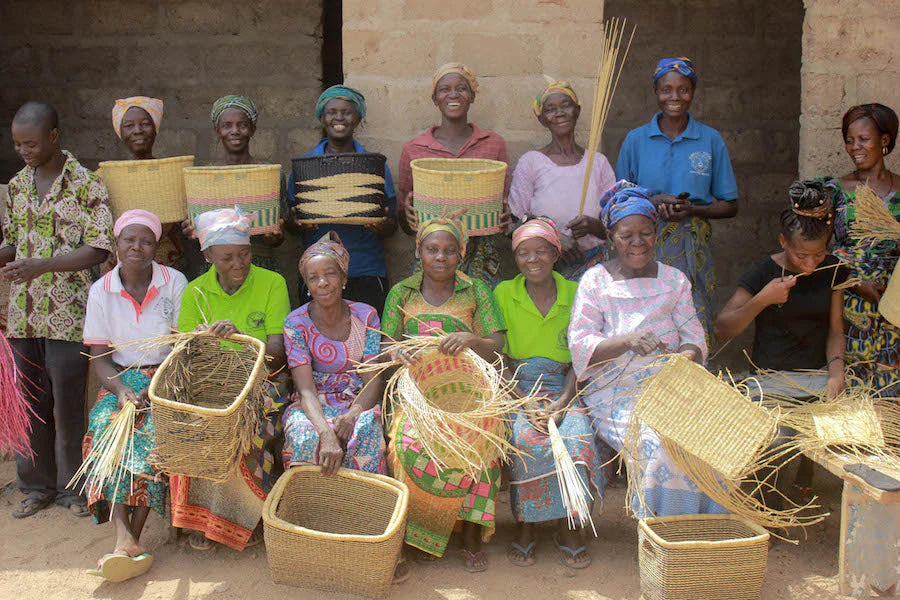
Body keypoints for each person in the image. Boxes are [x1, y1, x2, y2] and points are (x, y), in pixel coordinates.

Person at [568, 184, 726, 517]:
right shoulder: (595, 281)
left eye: (645, 233)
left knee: (712, 438)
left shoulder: (675, 280)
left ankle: (709, 533)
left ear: (656, 234)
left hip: (672, 388)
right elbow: (580, 345)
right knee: (659, 445)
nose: (637, 242)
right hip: (616, 393)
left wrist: (683, 358)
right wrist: (628, 341)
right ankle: (663, 532)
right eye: (626, 235)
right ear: (611, 237)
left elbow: (694, 334)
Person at [1, 101, 114, 519]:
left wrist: (41, 264)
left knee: (68, 405)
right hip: (24, 314)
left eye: (30, 143)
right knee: (29, 402)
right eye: (17, 145)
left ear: (54, 137)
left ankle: (73, 489)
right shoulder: (16, 186)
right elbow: (14, 241)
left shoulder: (87, 184)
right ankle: (36, 486)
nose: (24, 151)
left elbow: (98, 247)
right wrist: (6, 256)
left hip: (69, 313)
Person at [381, 218, 506, 572]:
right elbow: (385, 343)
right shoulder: (401, 292)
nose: (441, 257)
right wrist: (396, 353)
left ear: (461, 254)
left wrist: (472, 340)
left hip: (469, 393)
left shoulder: (476, 290)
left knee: (483, 439)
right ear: (419, 252)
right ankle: (422, 532)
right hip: (417, 393)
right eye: (432, 250)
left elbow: (497, 344)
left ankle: (469, 533)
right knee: (408, 442)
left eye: (450, 251)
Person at [172, 206, 292, 552]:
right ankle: (203, 519)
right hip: (212, 383)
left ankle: (246, 518)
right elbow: (185, 354)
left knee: (249, 422)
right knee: (194, 422)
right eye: (227, 258)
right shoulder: (195, 292)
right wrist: (203, 340)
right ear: (207, 255)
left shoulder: (272, 283)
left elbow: (276, 354)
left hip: (261, 383)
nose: (238, 264)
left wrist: (240, 340)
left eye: (244, 254)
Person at [81, 210, 187, 582]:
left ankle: (127, 541)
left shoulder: (174, 281)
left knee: (151, 437)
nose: (136, 247)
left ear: (156, 247)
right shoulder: (101, 290)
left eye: (145, 241)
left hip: (168, 376)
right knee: (103, 429)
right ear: (116, 245)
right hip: (119, 379)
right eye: (129, 239)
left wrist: (152, 387)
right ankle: (126, 539)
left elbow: (181, 347)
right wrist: (122, 390)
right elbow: (99, 358)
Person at [494, 217, 603, 569]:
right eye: (523, 253)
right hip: (518, 388)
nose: (532, 259)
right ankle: (527, 525)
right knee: (526, 440)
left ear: (556, 254)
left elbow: (580, 357)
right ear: (516, 258)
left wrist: (563, 401)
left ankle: (570, 524)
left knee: (577, 437)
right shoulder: (503, 294)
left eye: (541, 251)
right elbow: (499, 356)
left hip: (565, 387)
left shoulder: (575, 293)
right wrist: (523, 403)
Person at [615, 57, 739, 340]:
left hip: (693, 244)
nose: (675, 97)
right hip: (644, 243)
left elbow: (731, 205)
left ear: (693, 92)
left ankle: (692, 377)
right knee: (646, 316)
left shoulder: (709, 140)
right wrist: (654, 202)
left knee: (693, 312)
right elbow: (620, 201)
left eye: (683, 89)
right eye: (666, 89)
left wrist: (692, 209)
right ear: (655, 92)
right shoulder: (636, 140)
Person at [397, 63, 511, 287]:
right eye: (444, 89)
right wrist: (408, 217)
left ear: (472, 96)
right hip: (432, 259)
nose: (453, 94)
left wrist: (505, 216)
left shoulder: (493, 144)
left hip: (482, 256)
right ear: (435, 98)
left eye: (461, 88)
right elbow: (404, 217)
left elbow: (504, 207)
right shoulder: (414, 149)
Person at [281, 231, 386, 475]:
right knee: (304, 435)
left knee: (366, 431)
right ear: (306, 285)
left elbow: (373, 379)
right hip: (314, 402)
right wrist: (326, 433)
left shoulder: (365, 315)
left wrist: (352, 416)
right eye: (313, 277)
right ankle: (310, 506)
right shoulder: (296, 323)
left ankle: (365, 507)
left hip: (357, 399)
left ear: (343, 276)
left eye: (330, 273)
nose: (323, 283)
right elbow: (305, 390)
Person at [292, 85, 397, 312]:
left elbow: (392, 223)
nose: (339, 118)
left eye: (347, 112)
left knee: (367, 339)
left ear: (358, 118)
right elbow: (290, 221)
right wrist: (298, 224)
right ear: (322, 118)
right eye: (331, 112)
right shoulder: (304, 167)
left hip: (365, 270)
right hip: (317, 274)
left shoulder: (374, 166)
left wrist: (380, 225)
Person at [819, 103, 900, 396]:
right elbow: (816, 253)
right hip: (850, 304)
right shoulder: (834, 191)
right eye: (850, 140)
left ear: (885, 140)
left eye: (863, 139)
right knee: (855, 388)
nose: (855, 147)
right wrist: (855, 281)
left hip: (895, 304)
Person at [507, 80, 616, 280]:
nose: (559, 113)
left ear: (577, 111)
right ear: (541, 119)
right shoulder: (531, 162)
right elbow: (516, 221)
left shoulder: (598, 163)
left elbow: (615, 223)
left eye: (565, 106)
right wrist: (552, 238)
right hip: (545, 263)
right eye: (550, 109)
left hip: (594, 262)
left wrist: (593, 226)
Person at [205, 94, 287, 275]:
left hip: (261, 264)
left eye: (242, 125)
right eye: (227, 125)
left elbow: (281, 230)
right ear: (216, 130)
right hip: (218, 268)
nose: (235, 131)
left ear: (253, 129)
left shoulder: (270, 174)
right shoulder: (205, 177)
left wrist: (274, 236)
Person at [109, 96, 190, 273]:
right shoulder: (105, 177)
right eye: (129, 126)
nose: (138, 130)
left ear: (155, 128)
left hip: (170, 268)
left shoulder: (173, 174)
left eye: (145, 124)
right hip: (123, 270)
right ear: (119, 131)